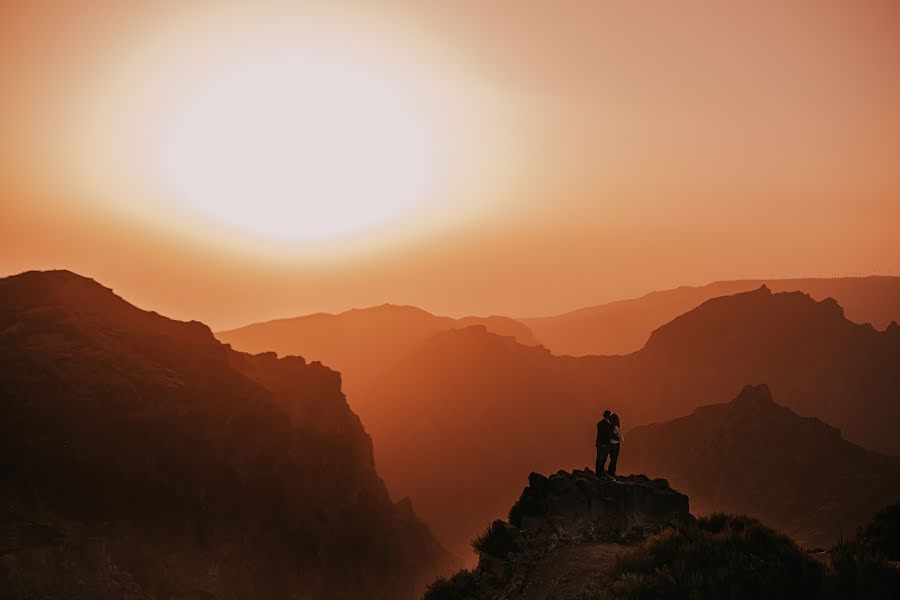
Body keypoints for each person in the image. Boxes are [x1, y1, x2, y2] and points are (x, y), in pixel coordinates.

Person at [595, 409, 613, 476]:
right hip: (605, 444)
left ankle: (597, 473)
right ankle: (601, 473)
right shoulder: (608, 425)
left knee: (598, 458)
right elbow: (608, 435)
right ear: (608, 416)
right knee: (603, 459)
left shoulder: (599, 423)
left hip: (599, 443)